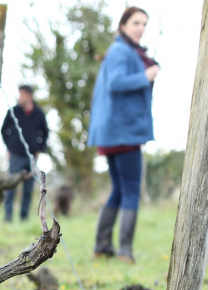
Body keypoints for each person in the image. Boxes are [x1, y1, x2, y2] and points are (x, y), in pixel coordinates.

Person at [87, 6, 159, 263]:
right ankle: (125, 251)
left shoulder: (122, 50)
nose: (141, 28)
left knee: (119, 188)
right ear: (123, 25)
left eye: (144, 24)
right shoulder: (121, 50)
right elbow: (116, 83)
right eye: (136, 23)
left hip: (116, 131)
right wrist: (145, 76)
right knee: (130, 189)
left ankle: (102, 246)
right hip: (122, 132)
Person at [0, 84, 48, 222]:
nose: (19, 97)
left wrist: (39, 149)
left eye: (22, 94)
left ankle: (24, 218)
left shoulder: (39, 113)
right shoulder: (13, 111)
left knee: (28, 189)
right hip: (15, 156)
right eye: (19, 94)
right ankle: (8, 217)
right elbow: (4, 130)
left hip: (31, 157)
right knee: (11, 187)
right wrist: (9, 147)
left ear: (29, 96)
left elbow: (45, 133)